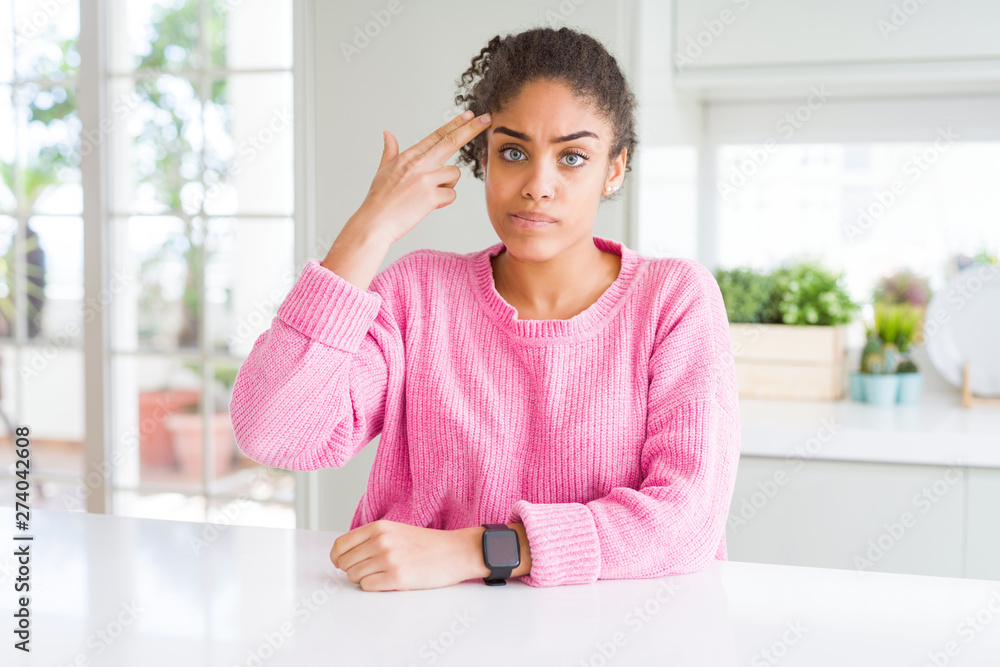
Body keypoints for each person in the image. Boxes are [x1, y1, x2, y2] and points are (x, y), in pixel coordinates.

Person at [230, 26, 741, 592]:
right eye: (514, 152)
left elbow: (686, 521)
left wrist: (480, 550)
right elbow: (272, 433)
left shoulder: (672, 299)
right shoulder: (418, 294)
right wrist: (368, 230)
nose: (538, 186)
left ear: (614, 169)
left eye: (573, 157)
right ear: (484, 158)